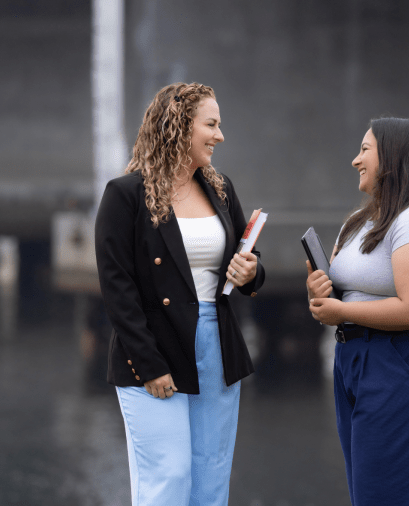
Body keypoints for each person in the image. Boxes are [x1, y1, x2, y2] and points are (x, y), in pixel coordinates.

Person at [94, 82, 264, 506]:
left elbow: (249, 263)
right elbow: (118, 289)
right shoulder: (126, 195)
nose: (219, 135)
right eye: (211, 124)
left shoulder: (220, 188)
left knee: (210, 478)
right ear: (178, 127)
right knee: (168, 476)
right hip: (154, 348)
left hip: (217, 346)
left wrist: (250, 271)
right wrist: (149, 364)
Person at [306, 117, 409, 505]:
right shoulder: (359, 222)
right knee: (370, 494)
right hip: (354, 359)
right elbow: (348, 293)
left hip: (404, 360)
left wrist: (342, 309)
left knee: (400, 493)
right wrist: (320, 289)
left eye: (365, 150)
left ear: (394, 157)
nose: (355, 160)